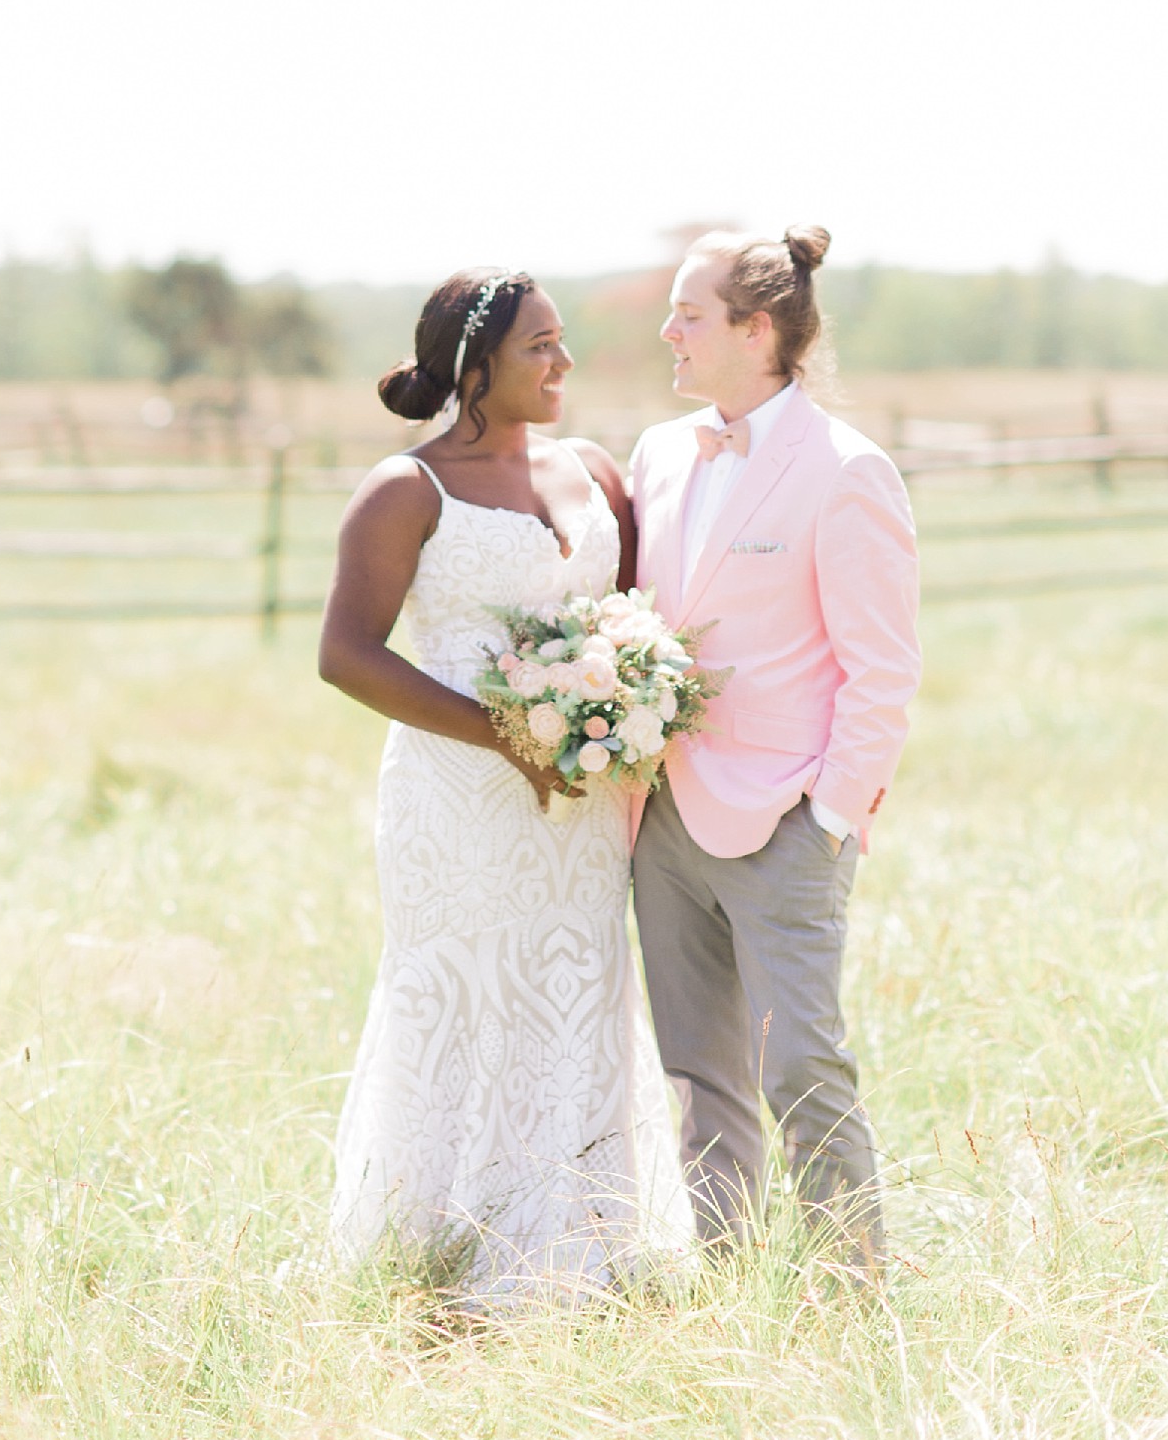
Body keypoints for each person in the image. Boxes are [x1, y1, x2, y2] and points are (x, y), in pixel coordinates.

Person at [318, 268, 691, 1304]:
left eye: (562, 340)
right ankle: (443, 1244)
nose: (561, 361)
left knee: (578, 985)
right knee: (467, 995)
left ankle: (584, 1238)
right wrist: (504, 735)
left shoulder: (594, 470)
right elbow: (345, 653)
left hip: (579, 805)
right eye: (539, 346)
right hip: (457, 801)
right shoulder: (406, 489)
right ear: (475, 367)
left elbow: (628, 615)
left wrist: (617, 703)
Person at [627, 227, 919, 1269]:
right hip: (662, 812)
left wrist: (828, 817)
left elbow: (879, 670)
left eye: (689, 313)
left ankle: (847, 1285)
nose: (668, 329)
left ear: (755, 330)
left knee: (799, 1063)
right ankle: (728, 1278)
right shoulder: (659, 451)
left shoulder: (846, 471)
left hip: (787, 816)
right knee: (696, 1074)